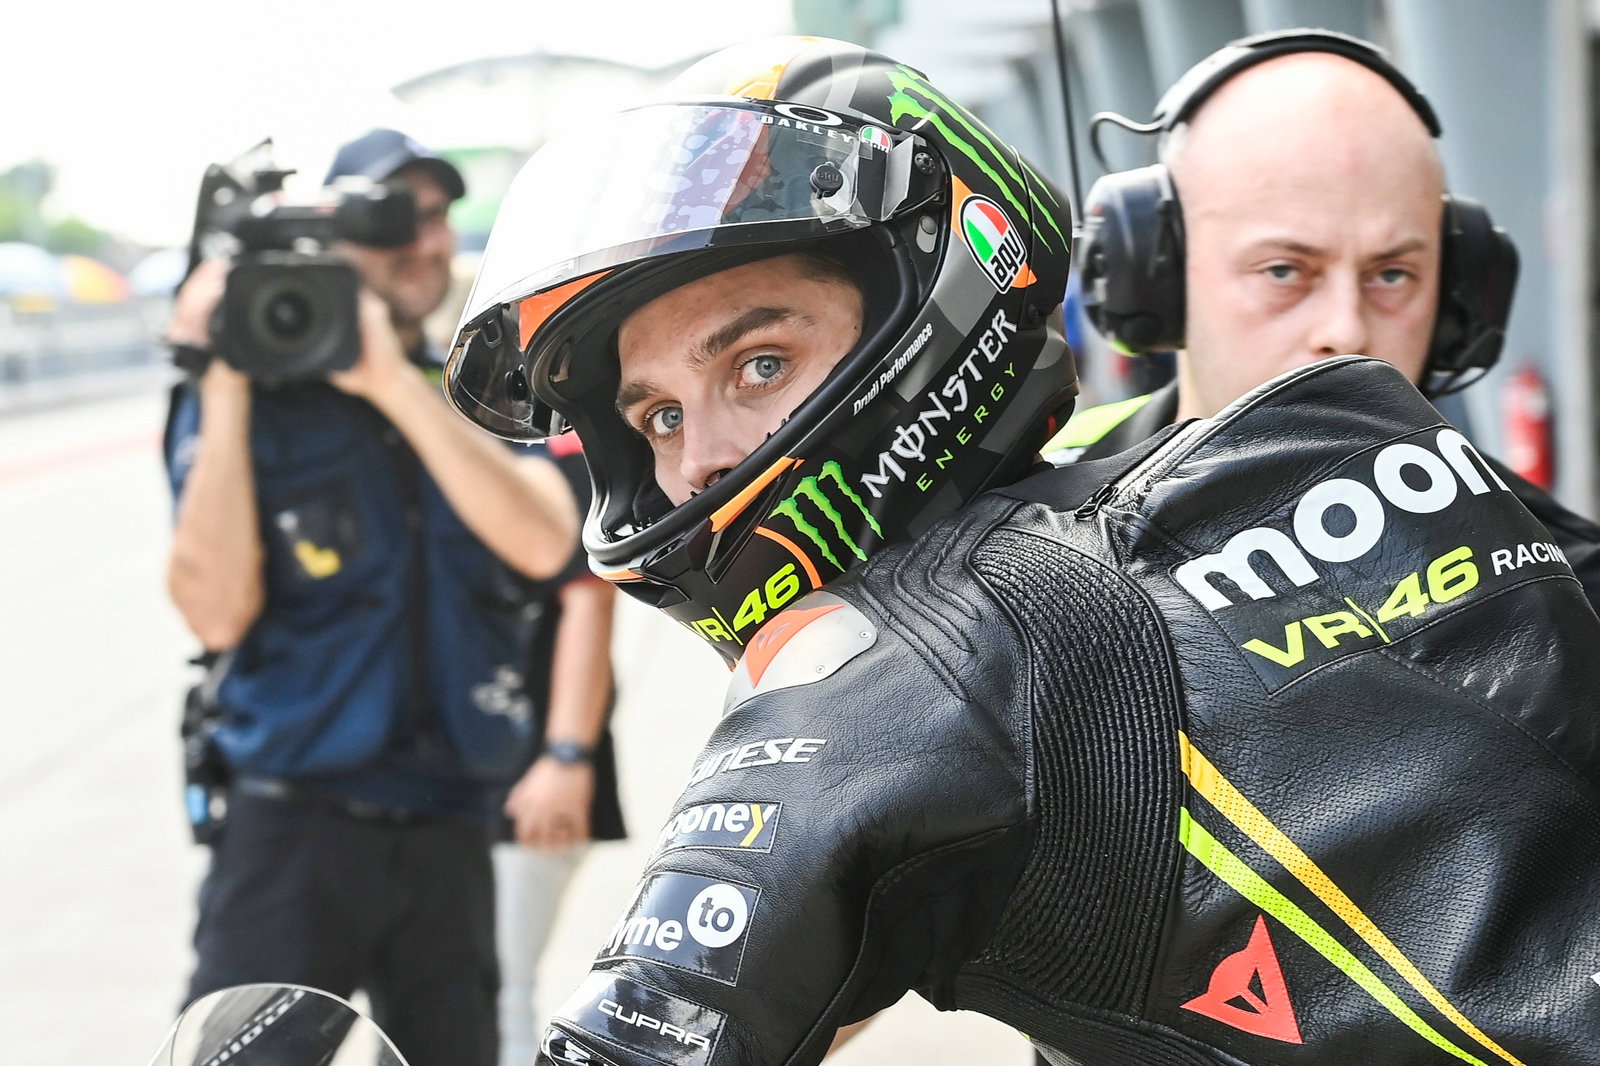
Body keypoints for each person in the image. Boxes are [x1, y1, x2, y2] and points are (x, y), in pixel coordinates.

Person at [444, 36, 1600, 1065]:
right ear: (1148, 274)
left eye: (759, 365)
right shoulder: (1000, 564)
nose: (700, 461)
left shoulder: (936, 648)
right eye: (657, 416)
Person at [162, 127, 581, 1066]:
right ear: (327, 241)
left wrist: (391, 382)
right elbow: (215, 611)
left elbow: (546, 542)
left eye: (438, 218)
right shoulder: (247, 396)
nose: (425, 242)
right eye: (392, 220)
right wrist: (223, 380)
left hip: (452, 820)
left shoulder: (469, 386)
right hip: (293, 825)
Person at [1055, 29, 1600, 605]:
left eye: (1392, 275)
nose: (1346, 331)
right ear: (1154, 280)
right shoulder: (1032, 502)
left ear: (1454, 295)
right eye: (1283, 271)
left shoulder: (1561, 596)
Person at [492, 431, 627, 1066]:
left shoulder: (554, 445)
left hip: (532, 765)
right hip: (457, 766)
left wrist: (567, 756)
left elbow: (589, 599)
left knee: (493, 989)